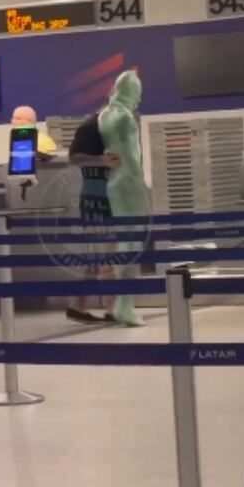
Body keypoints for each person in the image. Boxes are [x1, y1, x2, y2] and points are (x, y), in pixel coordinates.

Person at [99, 70, 149, 327]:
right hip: (128, 181)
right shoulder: (126, 119)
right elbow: (131, 156)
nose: (139, 98)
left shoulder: (104, 115)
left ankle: (122, 303)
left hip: (113, 181)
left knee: (123, 243)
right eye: (137, 92)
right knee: (132, 246)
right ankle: (126, 306)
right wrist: (141, 186)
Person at [66, 106, 121, 324]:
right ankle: (111, 310)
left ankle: (77, 306)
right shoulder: (90, 128)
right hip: (97, 199)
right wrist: (103, 162)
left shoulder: (111, 130)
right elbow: (75, 158)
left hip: (110, 195)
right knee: (107, 255)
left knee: (95, 258)